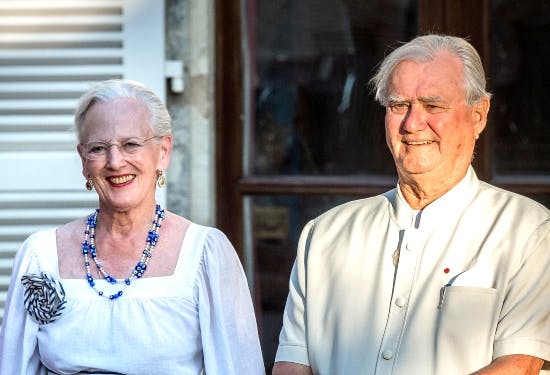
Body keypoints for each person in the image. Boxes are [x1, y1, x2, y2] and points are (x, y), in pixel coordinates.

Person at [272, 34, 549, 374]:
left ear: (478, 116)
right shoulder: (325, 235)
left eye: (433, 105)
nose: (412, 124)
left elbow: (518, 366)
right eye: (398, 106)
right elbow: (292, 366)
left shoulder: (529, 232)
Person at [0, 79, 265, 374]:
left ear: (163, 152)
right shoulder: (41, 255)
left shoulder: (205, 255)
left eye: (131, 145)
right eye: (99, 148)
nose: (115, 162)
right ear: (84, 162)